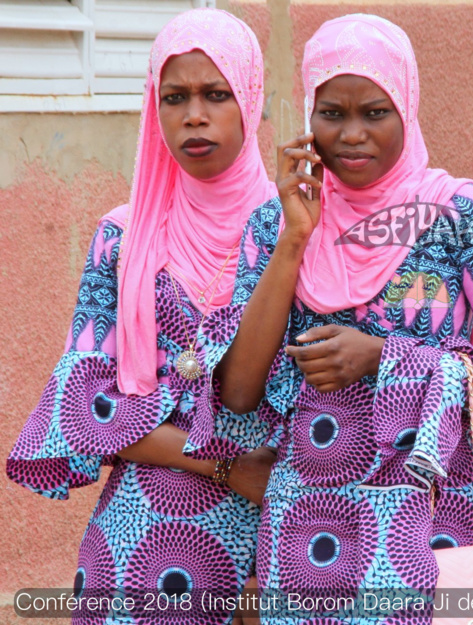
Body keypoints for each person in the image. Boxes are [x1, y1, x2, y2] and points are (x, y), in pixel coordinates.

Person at [209, 13, 473, 623]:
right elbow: (236, 392)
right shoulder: (275, 223)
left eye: (375, 112)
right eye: (331, 114)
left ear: (408, 108)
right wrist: (295, 239)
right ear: (307, 119)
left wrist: (383, 359)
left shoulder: (463, 215)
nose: (353, 135)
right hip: (306, 533)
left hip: (426, 524)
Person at [6, 8, 277, 624]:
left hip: (277, 542)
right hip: (135, 550)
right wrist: (227, 466)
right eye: (174, 97)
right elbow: (86, 406)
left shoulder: (294, 234)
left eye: (216, 94)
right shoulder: (123, 238)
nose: (194, 116)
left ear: (252, 99)